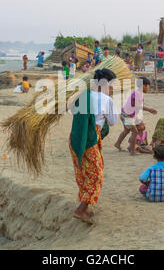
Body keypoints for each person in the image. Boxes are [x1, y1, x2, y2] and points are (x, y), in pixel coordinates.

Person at [69, 68, 118, 224]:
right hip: (90, 139)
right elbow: (113, 122)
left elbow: (74, 111)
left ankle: (85, 205)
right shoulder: (106, 100)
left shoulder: (83, 96)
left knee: (82, 171)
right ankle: (81, 210)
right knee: (96, 174)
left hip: (76, 138)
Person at [114, 77, 157, 155]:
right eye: (148, 86)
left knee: (127, 130)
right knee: (135, 131)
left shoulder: (138, 93)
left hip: (126, 114)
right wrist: (149, 109)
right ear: (144, 86)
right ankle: (132, 150)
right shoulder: (138, 94)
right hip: (127, 115)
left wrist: (136, 117)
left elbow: (135, 107)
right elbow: (137, 106)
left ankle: (118, 144)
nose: (148, 88)